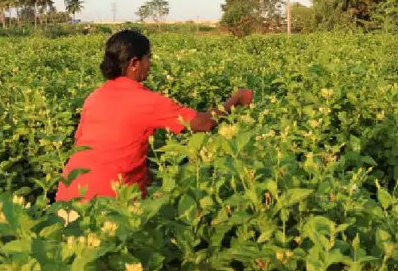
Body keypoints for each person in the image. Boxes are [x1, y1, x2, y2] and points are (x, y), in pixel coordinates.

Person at [56, 29, 253, 202]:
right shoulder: (146, 101)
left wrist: (152, 182)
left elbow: (88, 145)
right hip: (109, 200)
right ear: (134, 63)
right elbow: (204, 122)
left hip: (69, 193)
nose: (150, 64)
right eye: (148, 58)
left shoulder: (94, 97)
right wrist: (236, 99)